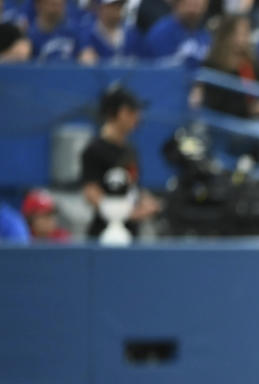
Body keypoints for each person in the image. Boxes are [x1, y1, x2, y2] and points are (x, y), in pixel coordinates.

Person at [81, 87, 161, 240]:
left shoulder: (130, 150)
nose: (137, 118)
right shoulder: (94, 150)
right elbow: (91, 192)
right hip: (104, 235)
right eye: (131, 112)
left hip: (131, 233)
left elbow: (132, 186)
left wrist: (147, 203)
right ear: (118, 113)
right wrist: (127, 214)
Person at [143, 0, 210, 67]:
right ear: (178, 5)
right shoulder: (163, 31)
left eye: (198, 6)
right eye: (190, 4)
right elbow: (160, 69)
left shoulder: (203, 34)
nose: (193, 11)